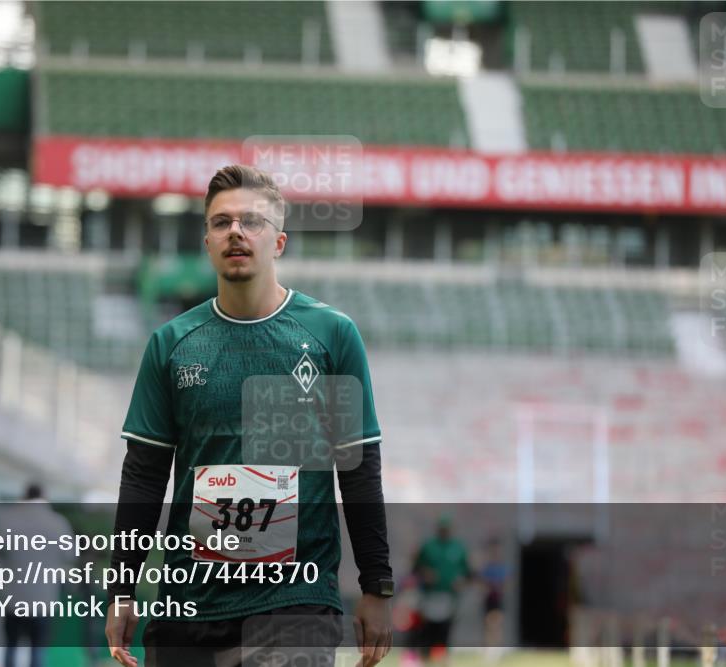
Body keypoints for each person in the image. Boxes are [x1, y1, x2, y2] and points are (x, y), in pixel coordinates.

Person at [105, 165, 394, 667]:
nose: (235, 231)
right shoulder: (171, 344)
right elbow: (144, 477)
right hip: (189, 604)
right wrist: (122, 589)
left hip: (295, 601)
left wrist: (377, 585)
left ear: (278, 242)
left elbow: (359, 468)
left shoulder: (332, 335)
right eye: (222, 222)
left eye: (252, 221)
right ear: (207, 242)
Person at [0, 483, 74, 667]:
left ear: (24, 496)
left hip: (13, 597)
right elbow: (70, 555)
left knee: (11, 648)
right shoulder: (57, 523)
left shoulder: (8, 521)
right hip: (43, 598)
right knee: (38, 651)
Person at [409, 515, 472, 665]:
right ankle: (425, 659)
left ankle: (444, 660)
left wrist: (462, 581)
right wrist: (425, 573)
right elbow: (416, 568)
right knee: (427, 631)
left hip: (449, 596)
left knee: (445, 631)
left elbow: (468, 572)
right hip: (430, 595)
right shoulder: (428, 546)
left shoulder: (458, 547)